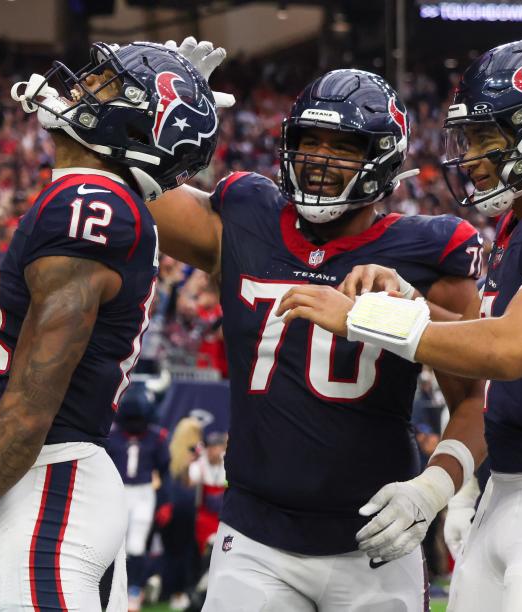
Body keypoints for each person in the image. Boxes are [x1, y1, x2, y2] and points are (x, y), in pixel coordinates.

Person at [278, 40, 522, 611]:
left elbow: (513, 350)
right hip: (510, 490)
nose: (474, 156)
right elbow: (486, 339)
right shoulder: (521, 228)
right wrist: (409, 299)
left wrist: (367, 317)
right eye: (472, 138)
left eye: (489, 137)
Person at [149, 39, 487, 611]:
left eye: (343, 145)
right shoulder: (248, 214)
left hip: (375, 542)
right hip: (256, 537)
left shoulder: (428, 249)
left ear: (381, 157)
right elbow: (140, 196)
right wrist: (163, 114)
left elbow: (477, 400)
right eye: (310, 141)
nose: (320, 159)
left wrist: (431, 491)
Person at [0, 41, 219, 612]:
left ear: (136, 124)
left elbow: (34, 400)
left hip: (49, 481)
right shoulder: (94, 197)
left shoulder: (90, 202)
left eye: (108, 85)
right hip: (32, 479)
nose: (82, 88)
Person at [104, 386, 169, 611]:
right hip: (118, 491)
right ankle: (112, 590)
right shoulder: (112, 436)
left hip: (143, 492)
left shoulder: (156, 437)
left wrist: (164, 501)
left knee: (136, 544)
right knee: (114, 544)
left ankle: (134, 588)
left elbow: (164, 471)